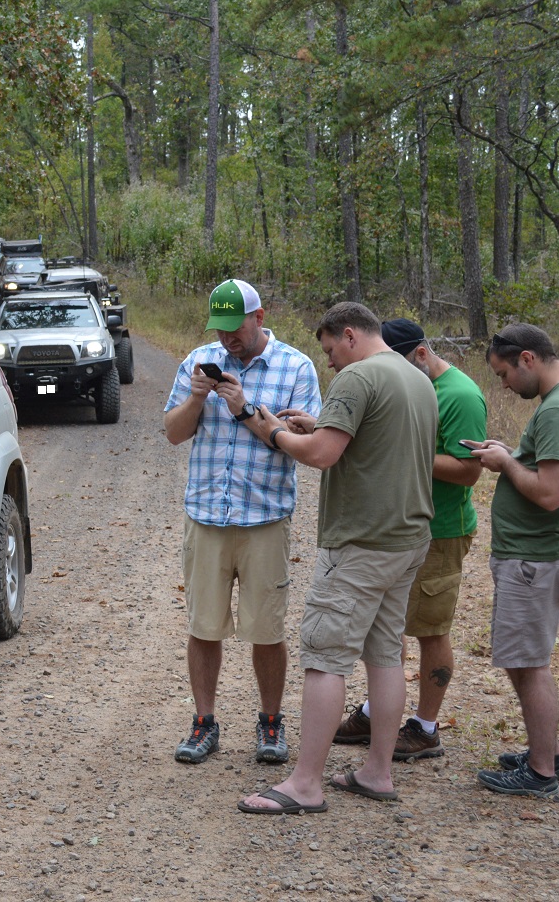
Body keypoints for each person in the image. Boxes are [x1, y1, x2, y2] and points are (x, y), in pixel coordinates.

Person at [236, 301, 436, 814]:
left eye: (329, 351)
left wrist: (274, 433)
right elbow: (370, 444)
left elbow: (324, 456)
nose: (329, 364)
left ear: (349, 335)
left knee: (325, 656)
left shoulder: (357, 379)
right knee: (384, 654)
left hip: (361, 544)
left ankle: (304, 784)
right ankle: (377, 772)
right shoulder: (417, 379)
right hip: (408, 539)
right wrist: (316, 424)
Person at [163, 279, 321, 766]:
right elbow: (172, 433)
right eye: (221, 329)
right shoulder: (198, 360)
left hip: (265, 517)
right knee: (203, 626)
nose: (228, 339)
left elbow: (308, 436)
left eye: (236, 329)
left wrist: (245, 408)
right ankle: (203, 722)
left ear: (259, 316)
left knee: (266, 630)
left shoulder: (296, 366)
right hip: (207, 514)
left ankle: (270, 724)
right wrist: (195, 398)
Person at [334, 319, 486, 760]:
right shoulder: (407, 385)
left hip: (440, 530)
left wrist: (404, 448)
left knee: (429, 629)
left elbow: (468, 470)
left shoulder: (458, 395)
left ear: (420, 354)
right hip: (399, 529)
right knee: (387, 628)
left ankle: (424, 727)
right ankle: (375, 711)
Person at [469, 323, 559, 800]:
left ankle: (542, 773)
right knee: (525, 660)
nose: (503, 385)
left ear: (527, 359)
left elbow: (550, 494)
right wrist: (509, 453)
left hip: (538, 558)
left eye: (504, 373)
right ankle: (547, 751)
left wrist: (506, 464)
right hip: (540, 556)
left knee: (529, 664)